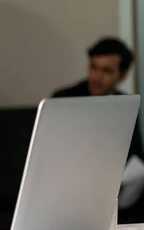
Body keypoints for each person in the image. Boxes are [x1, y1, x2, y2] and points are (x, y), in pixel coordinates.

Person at [52, 37, 144, 220]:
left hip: (114, 188)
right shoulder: (64, 99)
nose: (97, 77)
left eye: (107, 71)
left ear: (123, 75)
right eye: (93, 67)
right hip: (72, 183)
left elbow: (135, 153)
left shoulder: (125, 103)